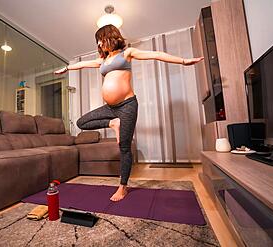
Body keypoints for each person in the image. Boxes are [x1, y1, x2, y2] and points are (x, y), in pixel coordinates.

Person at [55, 24, 203, 201]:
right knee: (82, 122)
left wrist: (184, 61)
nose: (100, 44)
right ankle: (113, 123)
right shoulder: (102, 61)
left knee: (124, 146)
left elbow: (156, 55)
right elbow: (83, 64)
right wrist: (67, 68)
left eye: (102, 39)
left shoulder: (127, 53)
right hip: (110, 108)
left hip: (127, 105)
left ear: (111, 37)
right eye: (98, 42)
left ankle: (122, 187)